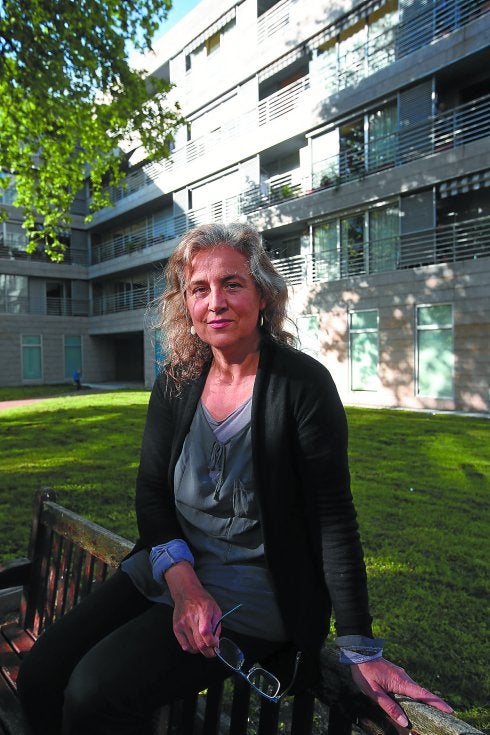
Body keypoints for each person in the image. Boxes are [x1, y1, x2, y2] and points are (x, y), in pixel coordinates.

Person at [17, 223, 453, 735]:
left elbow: (333, 518)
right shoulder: (176, 381)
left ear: (263, 296)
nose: (215, 302)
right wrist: (183, 584)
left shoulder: (302, 385)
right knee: (41, 674)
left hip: (255, 590)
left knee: (94, 693)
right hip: (173, 567)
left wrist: (359, 646)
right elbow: (152, 493)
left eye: (232, 284)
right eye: (199, 289)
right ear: (186, 304)